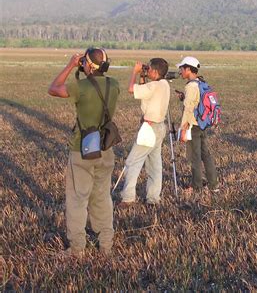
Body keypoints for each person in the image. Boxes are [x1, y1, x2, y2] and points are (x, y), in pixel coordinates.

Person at [48, 48, 120, 256]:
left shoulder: (81, 87)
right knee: (102, 197)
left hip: (83, 149)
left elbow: (54, 88)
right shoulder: (114, 84)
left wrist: (71, 65)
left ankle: (77, 248)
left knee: (78, 199)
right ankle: (106, 244)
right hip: (106, 148)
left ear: (87, 64)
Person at [119, 58, 170, 206]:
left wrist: (134, 73)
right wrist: (143, 76)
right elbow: (144, 93)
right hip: (160, 126)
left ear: (154, 71)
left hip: (149, 128)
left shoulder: (154, 85)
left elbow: (131, 89)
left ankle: (128, 197)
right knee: (155, 164)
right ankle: (153, 198)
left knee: (132, 162)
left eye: (149, 70)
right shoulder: (164, 84)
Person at [176, 56, 218, 193]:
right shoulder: (200, 82)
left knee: (195, 156)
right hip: (202, 124)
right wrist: (184, 97)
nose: (180, 71)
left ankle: (196, 186)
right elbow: (196, 102)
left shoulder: (191, 86)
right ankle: (213, 184)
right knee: (206, 154)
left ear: (188, 69)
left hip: (193, 125)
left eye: (182, 68)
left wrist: (183, 128)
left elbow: (188, 109)